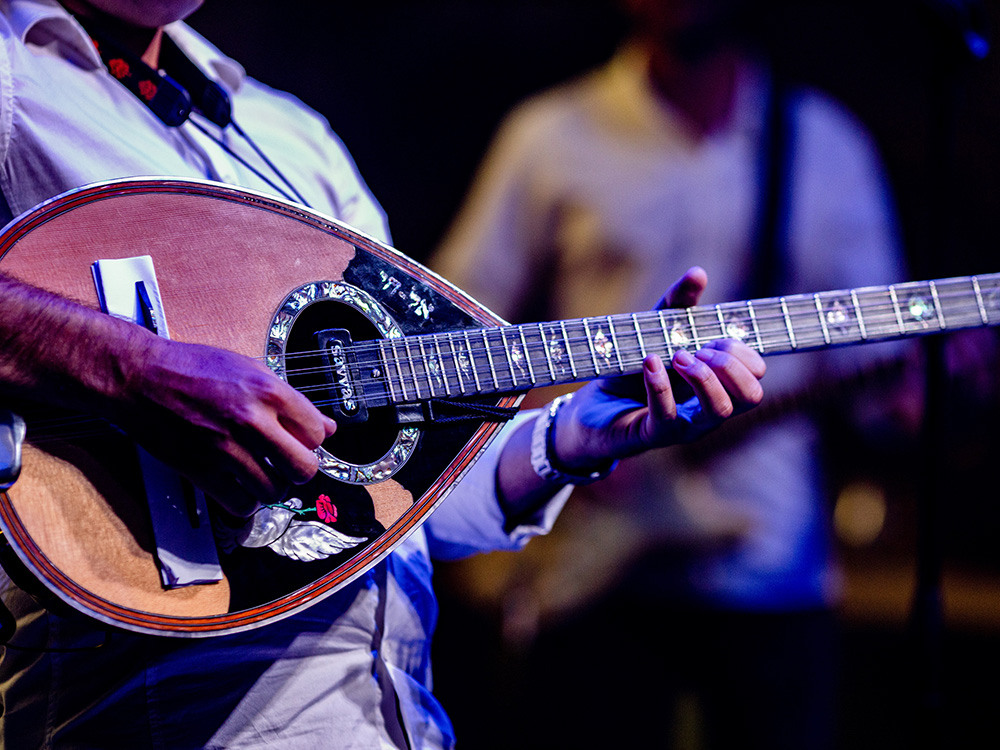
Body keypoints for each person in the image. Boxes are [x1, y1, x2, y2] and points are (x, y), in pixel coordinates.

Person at [0, 1, 768, 748]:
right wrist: (132, 370)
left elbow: (403, 498)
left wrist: (578, 433)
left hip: (392, 715)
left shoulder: (288, 135)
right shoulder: (17, 77)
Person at [431, 0, 912, 747]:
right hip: (587, 571)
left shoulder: (826, 145)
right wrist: (576, 428)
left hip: (770, 569)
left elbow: (882, 387)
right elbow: (449, 340)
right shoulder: (549, 135)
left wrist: (926, 390)